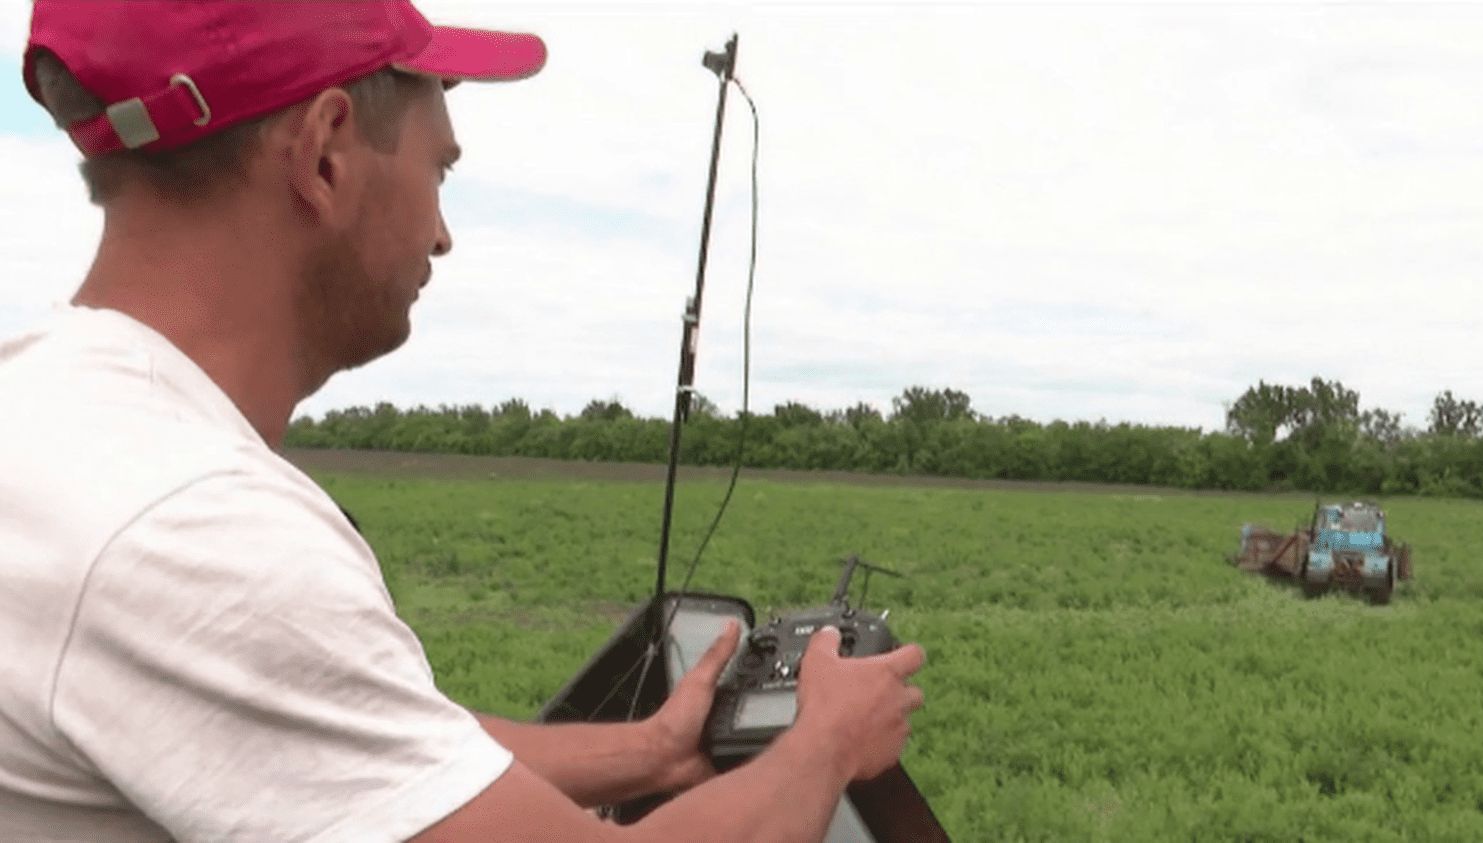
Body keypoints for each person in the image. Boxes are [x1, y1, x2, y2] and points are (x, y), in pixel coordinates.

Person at [0, 2, 926, 841]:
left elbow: (369, 738)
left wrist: (648, 751)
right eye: (439, 168)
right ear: (326, 152)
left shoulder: (55, 414)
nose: (442, 233)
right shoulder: (196, 529)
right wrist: (828, 742)